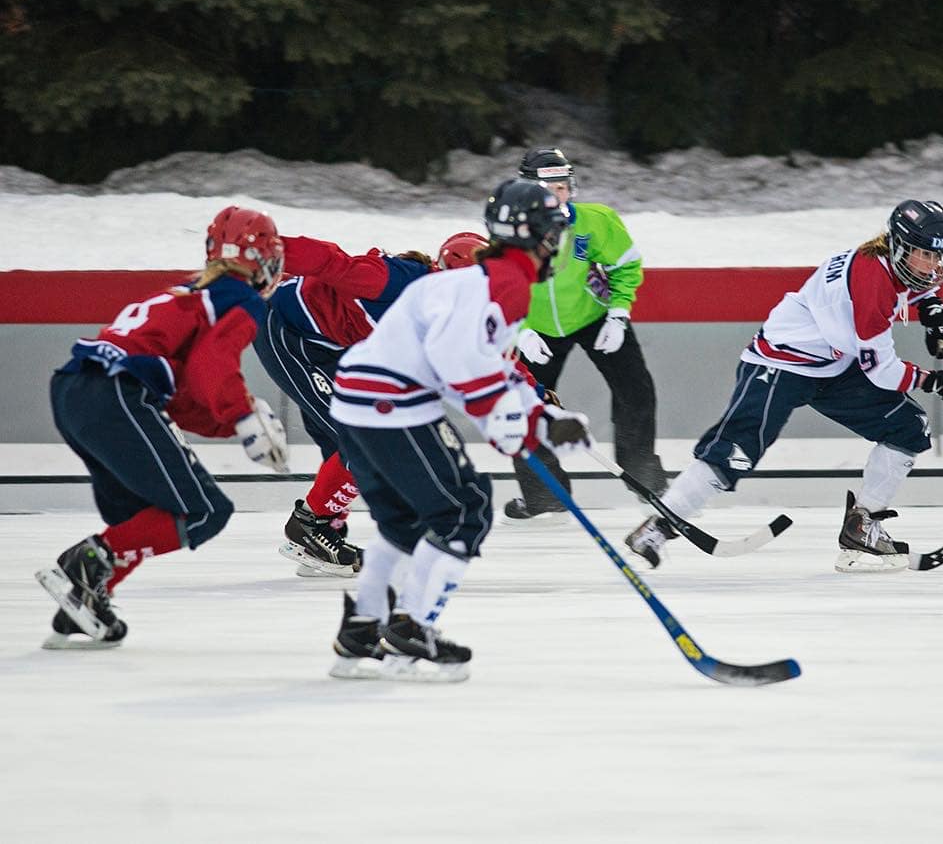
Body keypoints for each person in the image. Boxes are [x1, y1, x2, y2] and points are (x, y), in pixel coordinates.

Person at [623, 199, 943, 573]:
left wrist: (935, 314)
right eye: (924, 254)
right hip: (781, 364)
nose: (933, 265)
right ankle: (656, 529)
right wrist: (941, 385)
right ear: (900, 246)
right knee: (733, 453)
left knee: (909, 427)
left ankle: (864, 526)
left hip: (834, 364)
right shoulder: (871, 286)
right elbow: (882, 371)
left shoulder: (890, 262)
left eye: (938, 256)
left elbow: (917, 287)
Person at [325, 179, 590, 682]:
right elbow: (459, 360)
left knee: (404, 523)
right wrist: (512, 426)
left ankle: (361, 635)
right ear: (533, 235)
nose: (557, 244)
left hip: (357, 402)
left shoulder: (470, 279)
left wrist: (542, 417)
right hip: (393, 404)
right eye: (554, 232)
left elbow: (491, 361)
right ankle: (412, 631)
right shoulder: (506, 281)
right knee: (462, 511)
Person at [34, 206, 290, 648]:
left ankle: (84, 600)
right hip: (116, 392)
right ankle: (84, 568)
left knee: (139, 518)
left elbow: (186, 393)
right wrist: (243, 415)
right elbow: (213, 367)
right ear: (262, 258)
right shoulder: (236, 296)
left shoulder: (191, 291)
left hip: (74, 390)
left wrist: (232, 423)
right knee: (205, 511)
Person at [254, 229, 486, 577]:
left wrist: (536, 394)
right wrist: (266, 250)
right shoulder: (399, 280)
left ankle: (323, 531)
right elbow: (331, 261)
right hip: (287, 330)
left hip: (334, 345)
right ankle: (309, 530)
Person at [503, 147, 666, 520]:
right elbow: (498, 289)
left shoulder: (596, 221)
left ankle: (647, 482)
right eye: (549, 187)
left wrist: (619, 312)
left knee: (636, 392)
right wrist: (521, 331)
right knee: (522, 408)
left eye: (564, 186)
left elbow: (626, 265)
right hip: (536, 330)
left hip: (596, 317)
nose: (559, 195)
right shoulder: (509, 230)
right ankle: (545, 495)